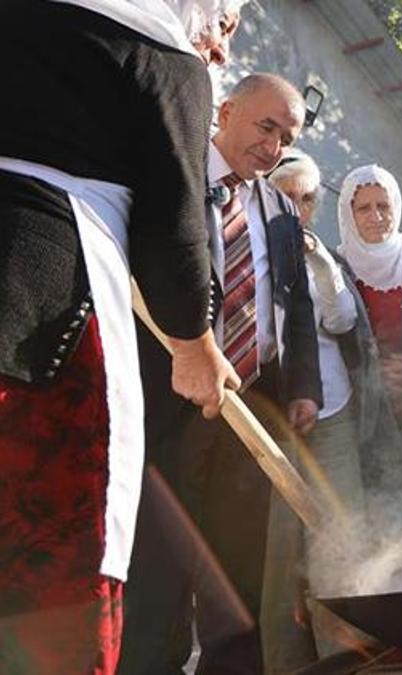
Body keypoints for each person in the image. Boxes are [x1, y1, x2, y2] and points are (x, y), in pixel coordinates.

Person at [0, 1, 241, 672]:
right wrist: (195, 350)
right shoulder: (157, 55)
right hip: (44, 329)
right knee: (47, 579)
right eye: (221, 25)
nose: (219, 51)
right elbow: (174, 238)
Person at [120, 73, 322, 675]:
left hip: (250, 417)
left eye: (286, 137)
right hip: (167, 407)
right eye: (266, 126)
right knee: (157, 575)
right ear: (226, 110)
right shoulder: (166, 178)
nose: (275, 146)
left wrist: (304, 388)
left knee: (237, 586)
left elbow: (298, 305)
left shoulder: (281, 209)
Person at [262, 152, 402, 670]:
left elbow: (344, 321)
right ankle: (283, 663)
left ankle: (342, 659)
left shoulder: (325, 254)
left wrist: (321, 266)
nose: (296, 208)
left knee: (342, 539)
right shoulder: (246, 246)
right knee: (278, 553)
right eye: (286, 197)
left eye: (306, 199)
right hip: (273, 420)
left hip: (335, 413)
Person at [336, 165, 402, 453]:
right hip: (359, 409)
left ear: (396, 208)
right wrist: (371, 375)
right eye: (363, 208)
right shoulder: (335, 267)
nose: (375, 217)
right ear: (349, 214)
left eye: (383, 206)